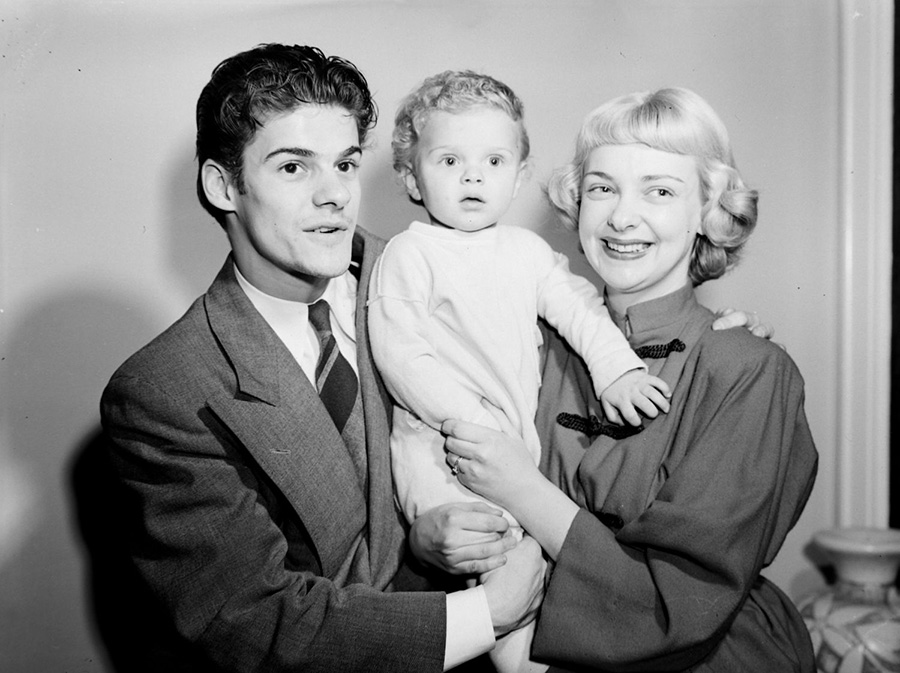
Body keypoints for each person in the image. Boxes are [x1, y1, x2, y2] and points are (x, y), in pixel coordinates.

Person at [99, 43, 547, 673]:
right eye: (293, 168)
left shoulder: (435, 273)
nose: (335, 194)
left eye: (345, 164)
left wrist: (699, 337)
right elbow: (255, 622)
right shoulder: (164, 391)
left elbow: (568, 360)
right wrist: (486, 613)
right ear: (223, 186)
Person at [440, 87, 818, 671]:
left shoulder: (752, 370)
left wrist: (525, 491)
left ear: (708, 212)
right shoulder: (529, 345)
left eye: (660, 191)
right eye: (602, 188)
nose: (621, 216)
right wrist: (433, 538)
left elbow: (682, 601)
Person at [369, 70, 672, 673]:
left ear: (520, 172)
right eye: (450, 159)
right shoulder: (412, 253)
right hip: (443, 448)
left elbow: (581, 311)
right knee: (505, 574)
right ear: (410, 176)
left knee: (547, 578)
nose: (473, 175)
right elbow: (401, 355)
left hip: (515, 449)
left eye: (493, 159)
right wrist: (472, 423)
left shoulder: (527, 253)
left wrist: (616, 371)